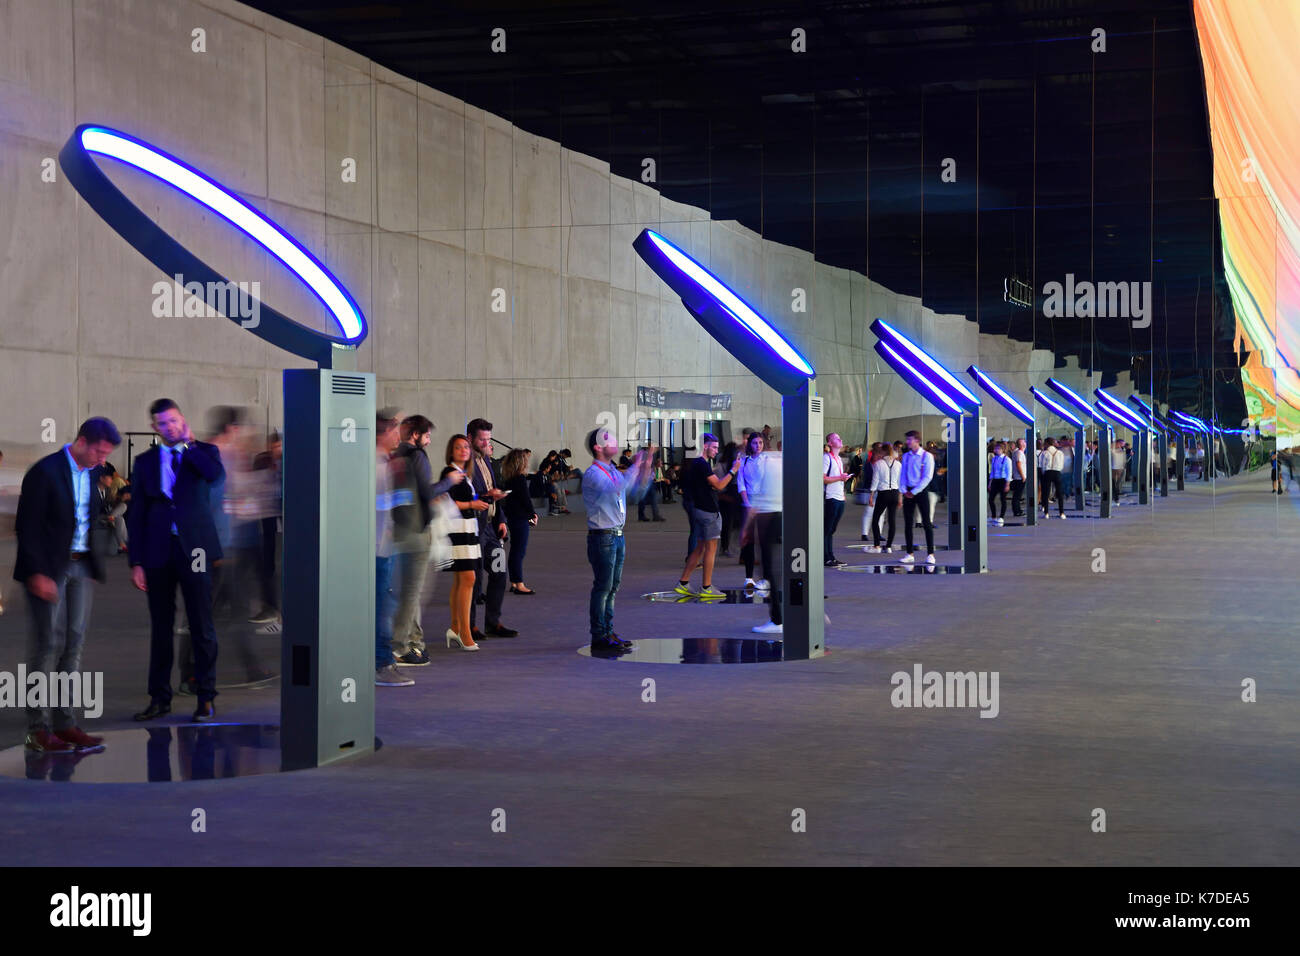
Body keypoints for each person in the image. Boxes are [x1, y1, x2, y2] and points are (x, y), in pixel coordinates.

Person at [13, 417, 121, 754]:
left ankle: (66, 723)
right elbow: (26, 527)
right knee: (46, 646)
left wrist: (90, 562)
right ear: (82, 441)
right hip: (48, 570)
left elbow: (89, 521)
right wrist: (38, 573)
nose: (103, 460)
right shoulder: (44, 472)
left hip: (80, 568)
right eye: (99, 452)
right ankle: (37, 729)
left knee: (73, 646)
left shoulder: (90, 475)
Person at [127, 399, 225, 722]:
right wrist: (136, 562)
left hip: (195, 549)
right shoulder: (144, 462)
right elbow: (136, 512)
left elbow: (213, 475)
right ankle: (159, 697)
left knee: (201, 623)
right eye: (163, 423)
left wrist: (189, 446)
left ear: (183, 420)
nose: (170, 427)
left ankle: (206, 696)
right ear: (155, 427)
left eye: (174, 421)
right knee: (161, 627)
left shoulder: (204, 453)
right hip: (157, 551)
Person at [390, 414, 458, 666]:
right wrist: (447, 483)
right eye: (427, 435)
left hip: (397, 530)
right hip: (416, 532)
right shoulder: (415, 456)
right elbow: (426, 491)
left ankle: (413, 640)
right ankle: (401, 645)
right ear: (416, 434)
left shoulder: (394, 456)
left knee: (404, 592)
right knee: (413, 593)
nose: (429, 442)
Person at [582, 427, 654, 654]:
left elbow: (635, 493)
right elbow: (617, 488)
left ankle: (608, 632)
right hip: (603, 536)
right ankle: (599, 636)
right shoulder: (594, 474)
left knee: (612, 588)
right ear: (598, 447)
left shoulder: (613, 470)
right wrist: (636, 465)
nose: (614, 440)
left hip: (616, 535)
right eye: (609, 438)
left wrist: (645, 466)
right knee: (603, 587)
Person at [374, 409, 416, 686]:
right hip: (376, 549)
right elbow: (376, 504)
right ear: (385, 431)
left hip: (384, 546)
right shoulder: (375, 464)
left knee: (384, 605)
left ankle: (382, 659)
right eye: (395, 429)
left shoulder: (384, 462)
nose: (398, 436)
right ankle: (381, 662)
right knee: (381, 608)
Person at [465, 418, 518, 641]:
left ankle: (493, 622)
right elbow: (463, 496)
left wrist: (502, 520)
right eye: (482, 439)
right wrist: (487, 496)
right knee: (474, 579)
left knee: (499, 573)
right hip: (473, 529)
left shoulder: (487, 460)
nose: (487, 443)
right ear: (470, 438)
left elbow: (492, 490)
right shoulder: (464, 462)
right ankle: (470, 626)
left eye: (488, 438)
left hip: (490, 528)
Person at [674, 433, 740, 598]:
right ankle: (706, 587)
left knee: (700, 548)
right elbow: (719, 485)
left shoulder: (696, 463)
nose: (716, 451)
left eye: (718, 448)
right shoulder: (701, 464)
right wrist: (733, 470)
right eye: (714, 447)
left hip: (700, 509)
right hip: (708, 511)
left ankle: (683, 583)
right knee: (710, 549)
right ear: (705, 446)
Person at [441, 434, 482, 651]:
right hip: (457, 531)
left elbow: (466, 500)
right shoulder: (450, 473)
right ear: (451, 451)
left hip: (466, 530)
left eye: (466, 447)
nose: (464, 450)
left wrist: (488, 497)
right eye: (458, 448)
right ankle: (465, 632)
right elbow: (450, 502)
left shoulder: (463, 474)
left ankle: (456, 627)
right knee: (468, 578)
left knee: (460, 580)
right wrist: (472, 506)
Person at [744, 439, 784, 634]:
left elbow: (757, 497)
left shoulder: (765, 463)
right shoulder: (785, 462)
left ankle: (777, 620)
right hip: (784, 516)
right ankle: (808, 609)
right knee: (788, 567)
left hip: (767, 517)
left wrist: (747, 527)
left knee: (769, 570)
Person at [500, 447, 539, 595]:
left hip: (512, 516)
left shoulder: (509, 479)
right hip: (520, 517)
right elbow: (525, 500)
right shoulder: (520, 479)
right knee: (519, 551)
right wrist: (533, 514)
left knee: (515, 550)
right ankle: (519, 582)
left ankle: (515, 582)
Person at [899, 431, 936, 566]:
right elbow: (902, 475)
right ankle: (909, 553)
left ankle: (930, 554)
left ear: (917, 441)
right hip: (908, 491)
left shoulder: (927, 456)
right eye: (907, 439)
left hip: (920, 491)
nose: (907, 442)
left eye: (910, 439)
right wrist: (903, 490)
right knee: (908, 523)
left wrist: (914, 491)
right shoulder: (906, 456)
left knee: (926, 523)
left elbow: (927, 477)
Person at [735, 431, 766, 587]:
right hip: (748, 505)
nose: (758, 446)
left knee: (765, 542)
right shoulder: (744, 461)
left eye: (760, 443)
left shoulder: (767, 460)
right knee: (749, 542)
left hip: (765, 505)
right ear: (750, 444)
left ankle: (765, 577)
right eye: (755, 443)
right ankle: (749, 577)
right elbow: (741, 484)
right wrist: (748, 504)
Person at [867, 441, 902, 551]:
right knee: (892, 520)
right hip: (895, 493)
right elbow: (900, 482)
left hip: (883, 494)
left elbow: (875, 481)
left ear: (883, 451)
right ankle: (889, 546)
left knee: (875, 519)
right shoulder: (898, 464)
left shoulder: (878, 464)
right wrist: (900, 497)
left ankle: (877, 545)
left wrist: (871, 495)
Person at [822, 432, 849, 568]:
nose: (840, 439)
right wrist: (840, 478)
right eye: (837, 438)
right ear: (830, 443)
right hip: (831, 497)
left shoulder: (838, 459)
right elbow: (823, 478)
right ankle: (826, 557)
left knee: (832, 529)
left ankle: (831, 556)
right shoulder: (827, 458)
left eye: (840, 437)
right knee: (827, 529)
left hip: (839, 497)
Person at [1039, 437, 1066, 518]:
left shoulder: (1044, 453)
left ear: (1047, 443)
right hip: (1057, 472)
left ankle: (1046, 513)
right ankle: (1062, 513)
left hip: (1047, 472)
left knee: (1045, 493)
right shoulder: (1060, 453)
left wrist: (1044, 472)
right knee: (1059, 493)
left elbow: (1042, 464)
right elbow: (1062, 464)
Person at [987, 442, 1012, 526]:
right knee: (990, 499)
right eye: (995, 449)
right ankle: (993, 516)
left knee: (1003, 499)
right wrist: (990, 483)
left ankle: (1001, 517)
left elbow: (1009, 472)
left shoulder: (1007, 459)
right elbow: (992, 472)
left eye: (997, 449)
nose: (995, 450)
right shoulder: (994, 459)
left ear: (1002, 450)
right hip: (995, 480)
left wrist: (1007, 484)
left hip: (1003, 480)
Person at [637, 449, 665, 521]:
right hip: (644, 480)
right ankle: (652, 515)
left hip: (647, 480)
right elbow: (644, 467)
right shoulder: (644, 455)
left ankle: (645, 515)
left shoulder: (649, 455)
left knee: (650, 498)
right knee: (646, 498)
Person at [1009, 437, 1028, 517]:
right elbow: (1018, 464)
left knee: (1017, 495)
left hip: (1017, 476)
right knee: (1017, 496)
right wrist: (1023, 476)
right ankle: (1017, 511)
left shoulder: (1016, 452)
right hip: (1019, 477)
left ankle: (1018, 510)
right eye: (1024, 442)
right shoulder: (1019, 453)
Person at [1111, 438, 1127, 504]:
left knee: (1118, 483)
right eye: (1121, 444)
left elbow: (1123, 459)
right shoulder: (1112, 450)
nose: (1122, 445)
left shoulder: (1121, 450)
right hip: (1114, 469)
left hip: (1120, 468)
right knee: (1114, 484)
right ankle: (1115, 497)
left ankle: (1116, 497)